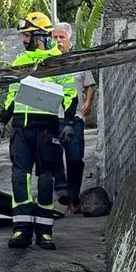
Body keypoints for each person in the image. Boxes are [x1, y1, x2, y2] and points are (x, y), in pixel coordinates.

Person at [0, 12, 77, 250]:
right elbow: (12, 94)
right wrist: (3, 120)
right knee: (19, 177)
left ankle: (44, 232)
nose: (23, 40)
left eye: (27, 35)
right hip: (21, 128)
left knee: (45, 180)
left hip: (46, 129)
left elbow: (70, 95)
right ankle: (21, 229)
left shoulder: (57, 60)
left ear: (40, 35)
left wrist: (69, 123)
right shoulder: (21, 61)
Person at [52, 23, 95, 214]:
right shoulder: (48, 61)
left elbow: (90, 85)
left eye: (62, 37)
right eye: (55, 37)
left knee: (75, 160)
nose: (58, 41)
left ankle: (73, 197)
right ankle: (61, 190)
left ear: (70, 40)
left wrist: (89, 102)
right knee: (53, 156)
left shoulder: (79, 61)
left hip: (75, 118)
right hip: (53, 117)